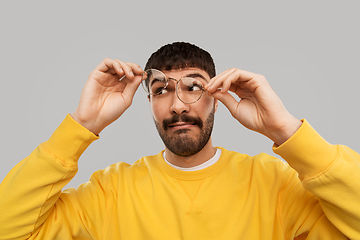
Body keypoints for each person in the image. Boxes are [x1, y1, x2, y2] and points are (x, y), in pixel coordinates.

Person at [0, 42, 359, 240]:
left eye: (194, 87)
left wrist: (285, 130)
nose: (176, 105)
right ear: (149, 103)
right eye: (160, 91)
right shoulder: (110, 191)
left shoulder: (273, 183)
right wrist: (82, 125)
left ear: (217, 94)